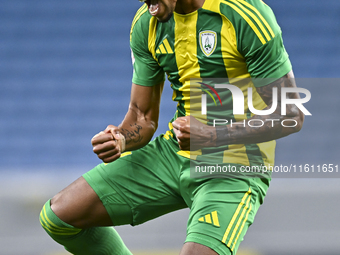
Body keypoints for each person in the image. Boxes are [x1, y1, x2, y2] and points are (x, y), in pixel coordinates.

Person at [40, 0, 304, 254]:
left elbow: (291, 114)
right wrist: (121, 138)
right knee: (59, 216)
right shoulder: (146, 24)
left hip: (235, 164)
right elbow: (142, 117)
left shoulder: (245, 14)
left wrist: (211, 135)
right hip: (173, 153)